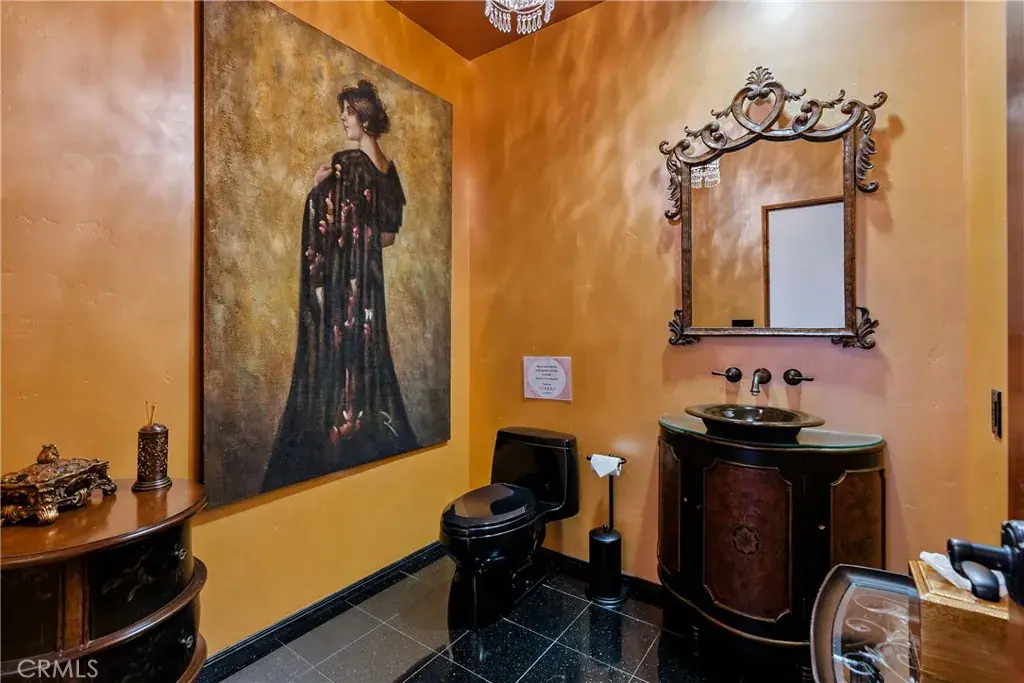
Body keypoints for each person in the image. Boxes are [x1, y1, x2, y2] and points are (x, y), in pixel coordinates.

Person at [262, 80, 417, 492]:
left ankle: (340, 432)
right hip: (368, 284)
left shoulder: (346, 163)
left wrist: (316, 189)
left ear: (363, 119)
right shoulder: (389, 173)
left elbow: (327, 217)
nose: (342, 119)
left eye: (347, 112)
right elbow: (387, 237)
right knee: (365, 348)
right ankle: (360, 431)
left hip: (342, 280)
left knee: (336, 348)